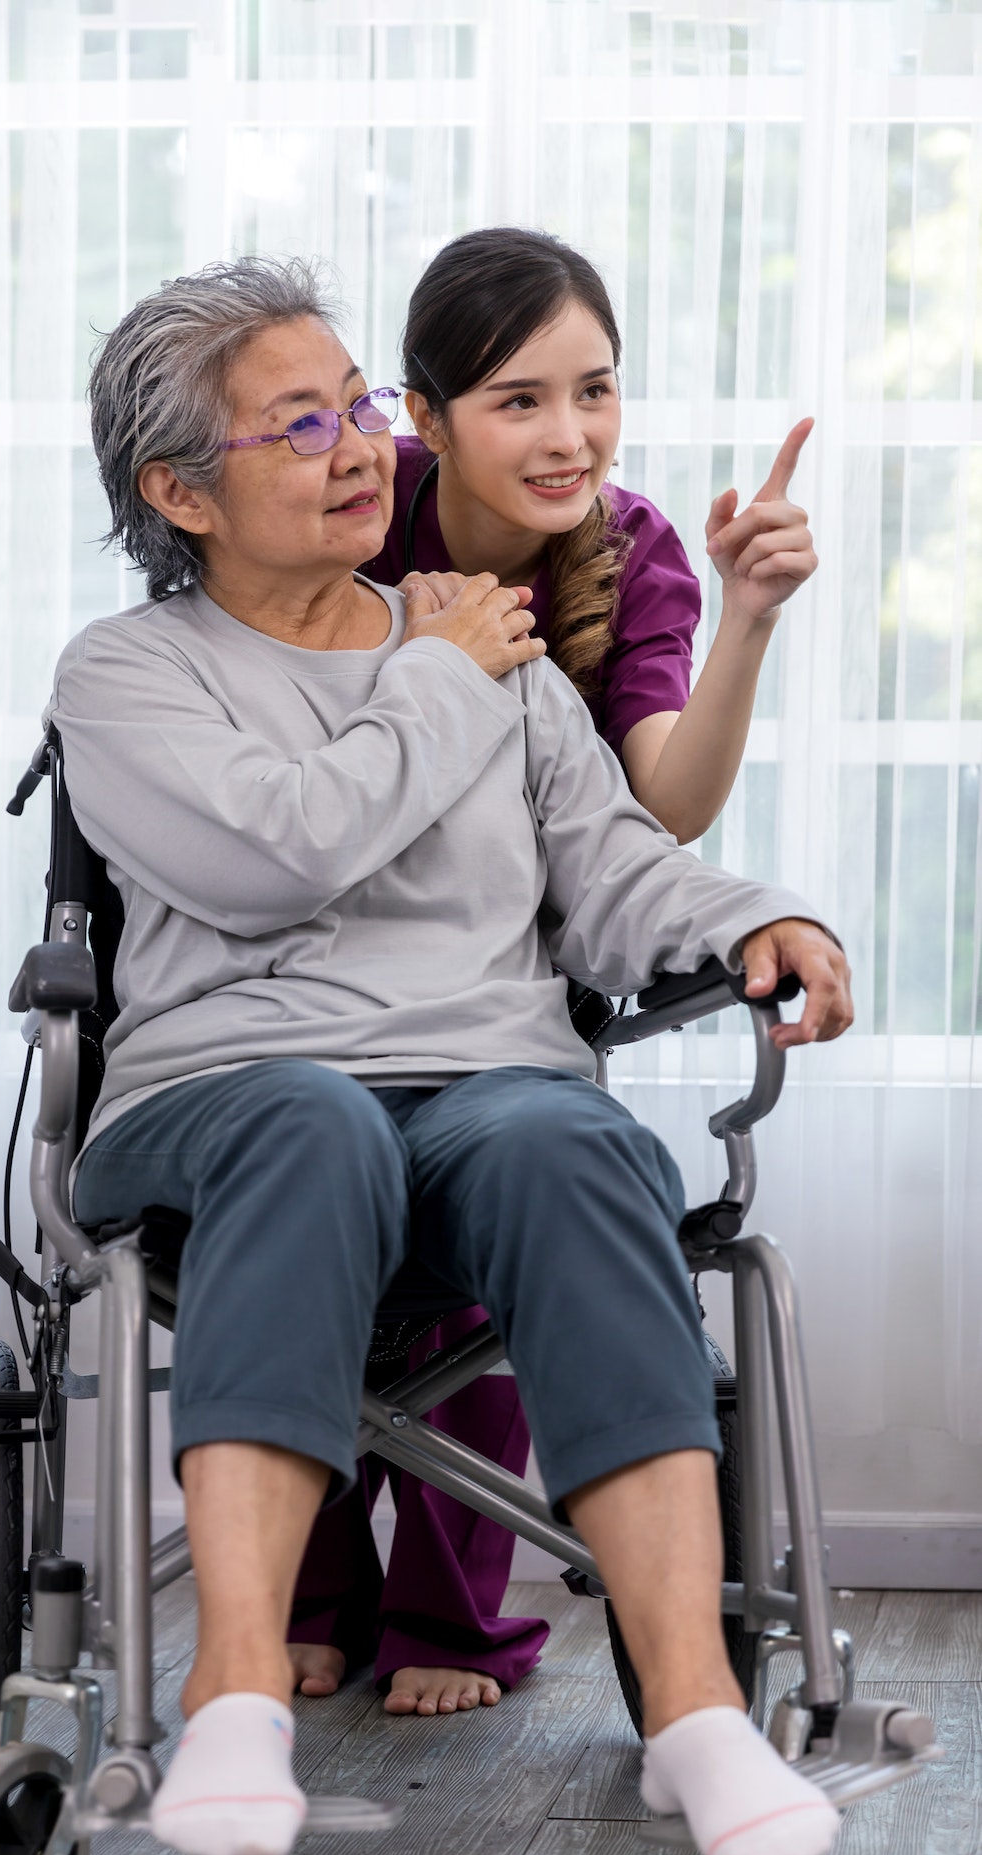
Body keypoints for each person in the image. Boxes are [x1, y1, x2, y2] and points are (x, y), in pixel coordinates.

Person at [50, 257, 853, 1855]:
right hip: (226, 1104)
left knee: (570, 1138)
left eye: (355, 404)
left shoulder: (512, 672)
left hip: (477, 1094)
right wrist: (435, 668)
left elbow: (616, 875)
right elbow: (278, 856)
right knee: (309, 1118)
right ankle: (232, 1696)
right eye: (300, 425)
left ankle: (696, 1718)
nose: (358, 446)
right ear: (178, 493)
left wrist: (756, 915)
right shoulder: (130, 675)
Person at [291, 227, 820, 1720]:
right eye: (519, 400)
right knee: (311, 1209)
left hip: (514, 964)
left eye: (594, 391)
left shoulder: (631, 549)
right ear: (424, 413)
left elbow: (661, 807)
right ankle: (312, 1598)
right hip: (318, 943)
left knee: (500, 1214)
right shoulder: (356, 509)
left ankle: (450, 1616)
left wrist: (747, 622)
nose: (568, 434)